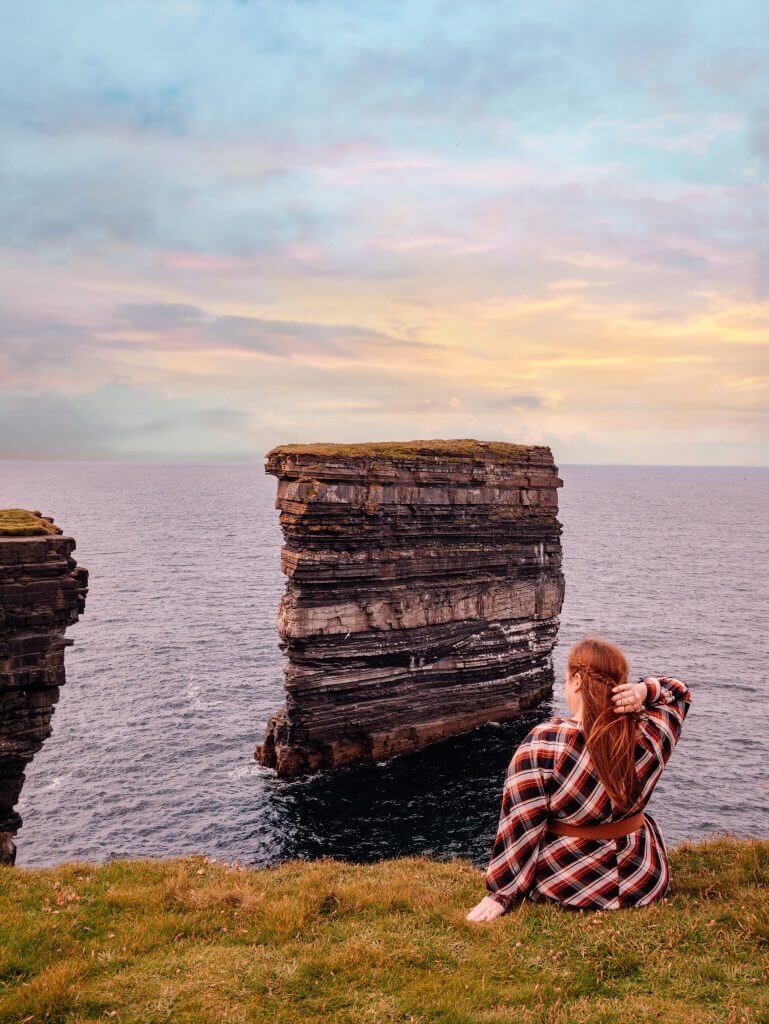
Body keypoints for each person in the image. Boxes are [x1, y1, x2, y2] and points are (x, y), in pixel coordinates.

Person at [466, 636, 692, 919]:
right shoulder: (650, 733)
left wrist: (501, 893)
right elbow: (680, 693)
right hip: (643, 878)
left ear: (575, 681)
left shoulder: (545, 742)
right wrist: (644, 691)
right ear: (620, 685)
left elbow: (521, 823)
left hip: (570, 882)